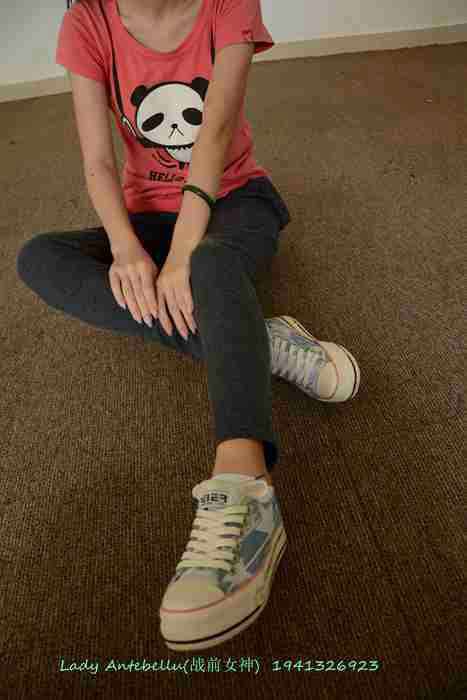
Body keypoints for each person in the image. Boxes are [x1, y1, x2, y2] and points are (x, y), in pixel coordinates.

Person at [16, 0, 361, 651]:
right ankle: (254, 342)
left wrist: (180, 255)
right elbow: (97, 161)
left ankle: (246, 485)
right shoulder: (87, 20)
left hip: (233, 201)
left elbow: (214, 132)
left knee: (209, 264)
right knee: (39, 258)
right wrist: (126, 248)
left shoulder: (228, 6)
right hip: (149, 214)